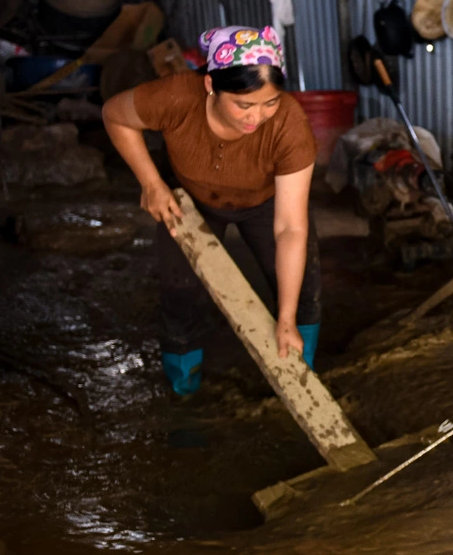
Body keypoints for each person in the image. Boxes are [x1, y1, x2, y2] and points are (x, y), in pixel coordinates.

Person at [102, 25, 320, 395]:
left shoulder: (290, 125)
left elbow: (290, 229)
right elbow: (114, 114)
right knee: (181, 291)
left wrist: (284, 318)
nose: (257, 118)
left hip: (264, 203)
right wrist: (152, 184)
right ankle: (183, 386)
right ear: (210, 86)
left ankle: (301, 380)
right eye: (244, 104)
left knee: (303, 292)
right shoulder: (175, 96)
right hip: (191, 198)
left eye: (269, 103)